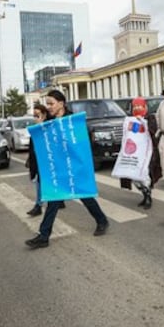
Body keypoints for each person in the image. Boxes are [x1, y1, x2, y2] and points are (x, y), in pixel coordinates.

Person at [25, 90, 110, 248]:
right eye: (48, 104)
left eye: (51, 103)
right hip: (58, 169)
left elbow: (83, 144)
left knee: (85, 196)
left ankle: (102, 220)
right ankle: (44, 236)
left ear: (61, 103)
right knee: (53, 201)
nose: (49, 107)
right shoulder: (49, 122)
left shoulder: (73, 122)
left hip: (73, 167)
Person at [118, 97, 162, 209]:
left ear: (144, 106)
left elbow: (153, 131)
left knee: (144, 175)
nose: (137, 108)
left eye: (140, 105)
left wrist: (143, 122)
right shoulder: (130, 119)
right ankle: (144, 194)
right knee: (133, 176)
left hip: (147, 153)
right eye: (135, 106)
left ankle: (148, 197)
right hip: (134, 153)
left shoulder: (150, 118)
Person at [26, 104, 49, 216]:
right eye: (34, 115)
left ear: (44, 115)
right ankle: (38, 206)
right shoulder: (35, 129)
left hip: (48, 162)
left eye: (37, 115)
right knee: (39, 183)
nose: (35, 118)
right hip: (39, 162)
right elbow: (32, 148)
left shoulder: (48, 127)